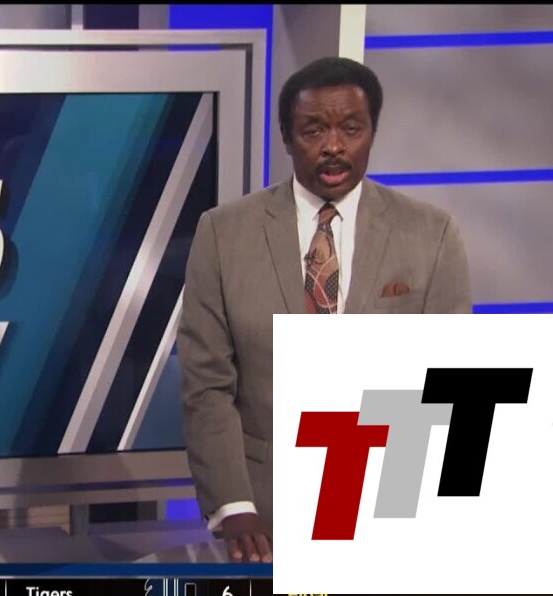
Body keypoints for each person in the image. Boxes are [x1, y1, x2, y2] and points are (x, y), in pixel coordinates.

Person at [177, 56, 471, 563]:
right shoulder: (223, 233)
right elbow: (206, 385)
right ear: (287, 137)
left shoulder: (431, 234)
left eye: (350, 129)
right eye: (314, 130)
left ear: (372, 132)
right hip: (264, 520)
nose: (333, 146)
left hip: (389, 509)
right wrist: (234, 504)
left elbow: (447, 382)